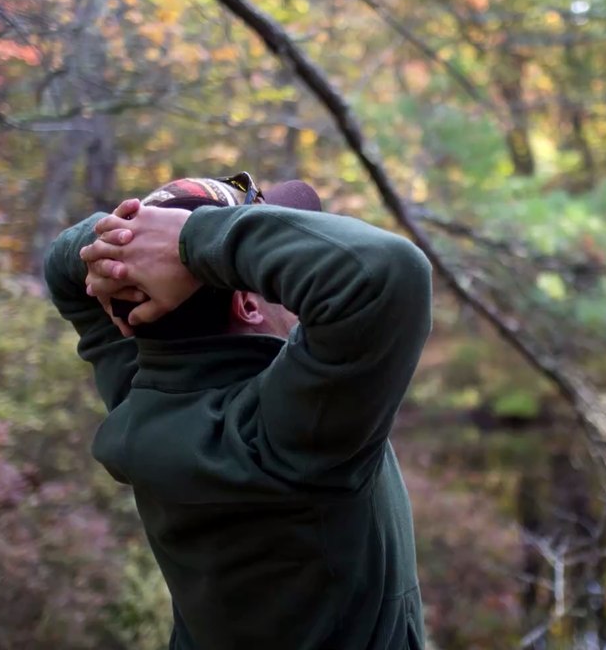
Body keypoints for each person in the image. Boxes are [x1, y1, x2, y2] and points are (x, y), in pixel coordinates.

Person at [43, 173, 432, 650]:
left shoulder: (138, 394)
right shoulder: (293, 433)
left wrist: (128, 245)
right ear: (248, 304)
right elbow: (386, 273)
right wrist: (186, 243)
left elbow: (63, 262)